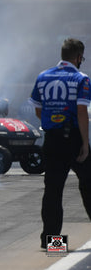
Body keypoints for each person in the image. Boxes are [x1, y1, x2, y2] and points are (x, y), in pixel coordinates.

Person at [29, 38, 91, 249]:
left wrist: (52, 124)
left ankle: (52, 242)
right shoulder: (81, 78)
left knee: (53, 191)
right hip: (73, 137)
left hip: (52, 139)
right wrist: (85, 143)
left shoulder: (42, 77)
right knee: (89, 185)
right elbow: (82, 112)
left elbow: (38, 110)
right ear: (78, 57)